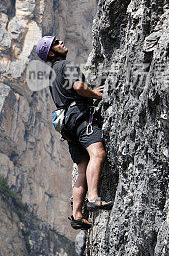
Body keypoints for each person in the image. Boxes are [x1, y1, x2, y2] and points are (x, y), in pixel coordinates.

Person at [35, 35, 112, 230]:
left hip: (67, 126)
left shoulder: (53, 74)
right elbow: (78, 87)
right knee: (98, 153)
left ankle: (77, 214)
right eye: (56, 43)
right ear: (52, 52)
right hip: (79, 117)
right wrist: (96, 94)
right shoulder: (65, 65)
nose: (61, 42)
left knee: (82, 168)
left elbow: (69, 93)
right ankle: (93, 198)